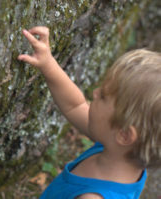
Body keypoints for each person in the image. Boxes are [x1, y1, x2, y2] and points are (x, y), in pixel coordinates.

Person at [17, 26, 161, 199]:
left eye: (104, 96)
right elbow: (75, 105)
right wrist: (48, 64)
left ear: (124, 134)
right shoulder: (118, 149)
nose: (95, 92)